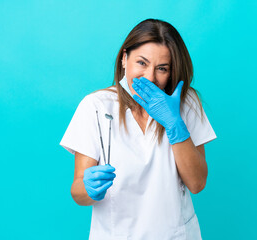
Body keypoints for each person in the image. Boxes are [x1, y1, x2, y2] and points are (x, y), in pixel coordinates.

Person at [60, 18, 217, 240]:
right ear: (124, 59)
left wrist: (174, 124)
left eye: (162, 68)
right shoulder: (96, 106)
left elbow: (197, 183)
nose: (150, 78)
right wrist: (88, 188)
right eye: (141, 63)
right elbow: (78, 192)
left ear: (172, 72)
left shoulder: (185, 103)